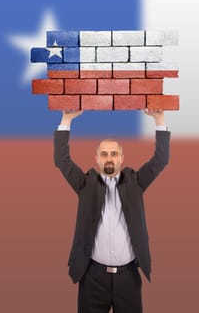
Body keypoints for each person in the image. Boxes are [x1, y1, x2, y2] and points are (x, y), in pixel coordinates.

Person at [54, 109, 171, 313]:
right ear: (97, 158)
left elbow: (160, 160)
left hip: (129, 278)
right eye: (105, 154)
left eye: (114, 154)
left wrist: (159, 119)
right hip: (92, 277)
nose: (109, 158)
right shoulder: (85, 184)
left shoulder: (136, 182)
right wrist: (66, 119)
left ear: (121, 158)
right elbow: (61, 160)